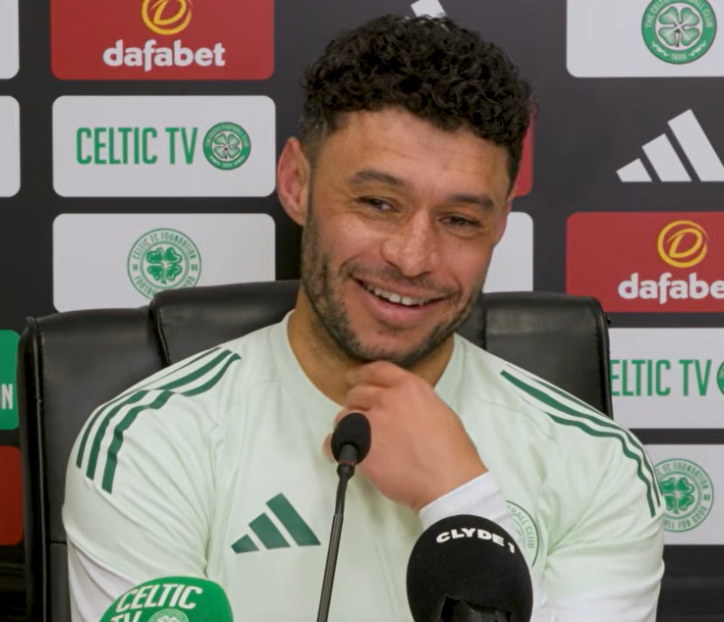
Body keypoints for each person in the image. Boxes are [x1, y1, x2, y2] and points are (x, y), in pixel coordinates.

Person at [63, 13, 665, 622]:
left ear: (501, 222)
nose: (412, 258)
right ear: (297, 183)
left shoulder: (597, 466)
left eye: (459, 220)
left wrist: (461, 500)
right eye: (377, 203)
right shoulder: (151, 442)